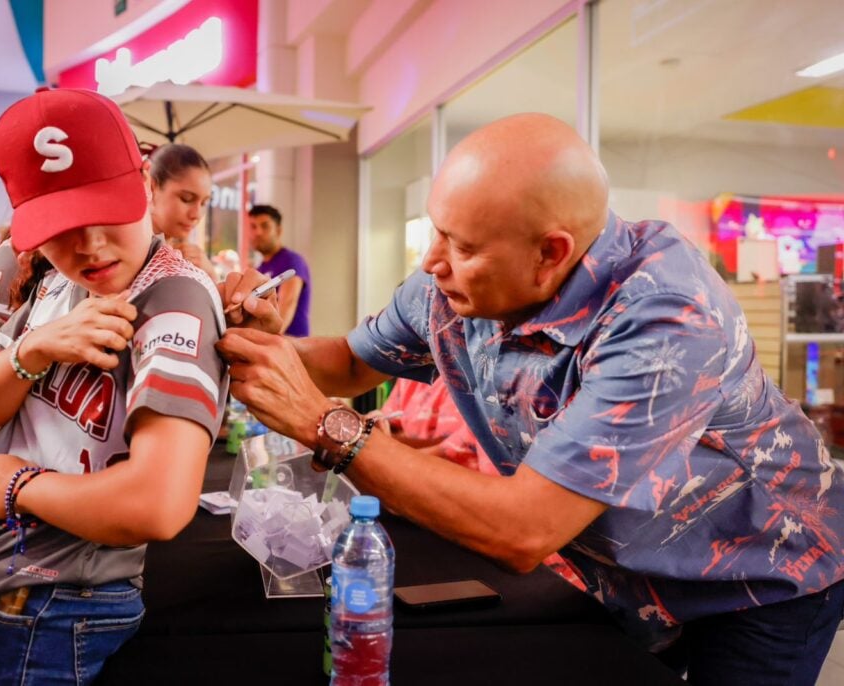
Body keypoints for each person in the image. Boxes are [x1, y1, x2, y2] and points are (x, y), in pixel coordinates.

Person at [217, 113, 844, 686]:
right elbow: (353, 362)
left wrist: (326, 423)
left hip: (758, 577)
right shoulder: (456, 282)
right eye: (439, 233)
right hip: (620, 567)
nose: (432, 262)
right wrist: (256, 344)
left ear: (550, 253)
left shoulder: (668, 320)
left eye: (461, 248)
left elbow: (524, 528)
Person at [0, 88, 229, 684]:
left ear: (143, 182)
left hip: (53, 599)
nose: (89, 244)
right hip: (3, 582)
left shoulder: (173, 298)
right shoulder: (59, 286)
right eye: (62, 225)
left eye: (105, 209)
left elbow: (159, 503)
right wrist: (34, 349)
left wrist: (20, 485)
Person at [148, 143, 217, 281]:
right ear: (152, 187)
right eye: (186, 199)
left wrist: (210, 277)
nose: (196, 215)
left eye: (204, 203)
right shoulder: (127, 255)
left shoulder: (190, 258)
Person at [248, 204, 311, 336]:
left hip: (291, 348)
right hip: (268, 346)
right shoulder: (259, 269)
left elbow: (284, 310)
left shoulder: (292, 261)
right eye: (253, 227)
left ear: (278, 230)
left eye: (265, 226)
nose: (258, 232)